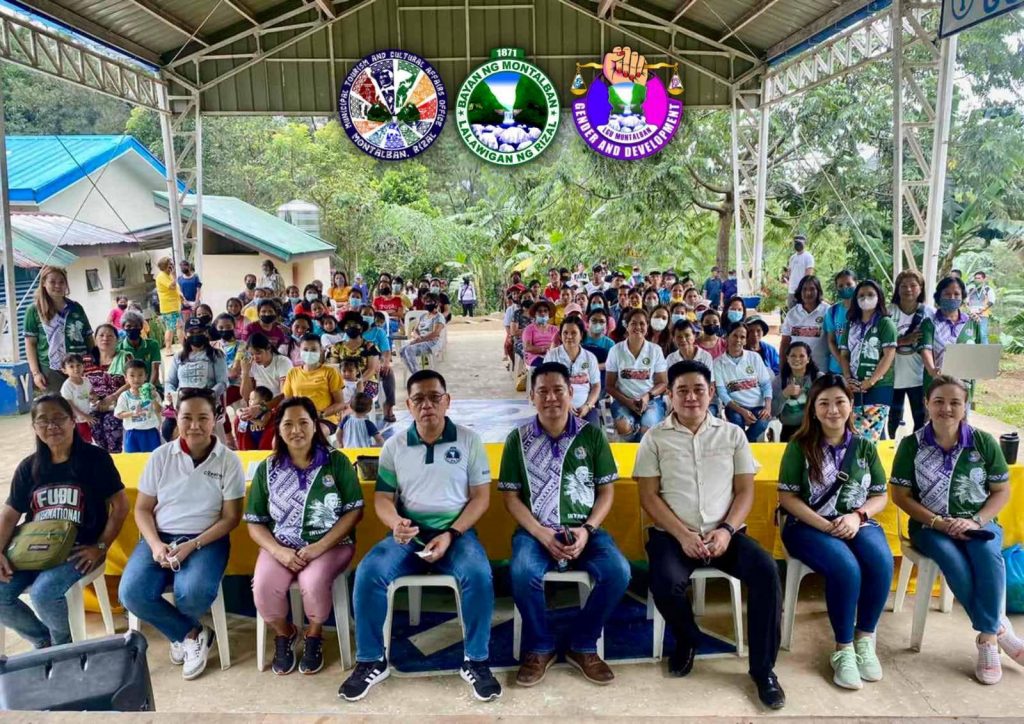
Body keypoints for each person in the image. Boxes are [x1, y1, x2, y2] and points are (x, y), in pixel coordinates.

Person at [340, 370, 501, 703]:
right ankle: (371, 660)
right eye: (419, 399)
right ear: (408, 406)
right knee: (369, 573)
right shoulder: (395, 446)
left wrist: (452, 533)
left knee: (479, 575)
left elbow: (481, 498)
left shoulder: (469, 440)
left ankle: (476, 660)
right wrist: (396, 523)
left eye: (434, 397)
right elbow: (383, 498)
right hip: (409, 534)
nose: (427, 405)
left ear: (447, 400)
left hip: (456, 532)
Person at [635, 360, 785, 709]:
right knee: (664, 582)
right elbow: (648, 496)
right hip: (673, 535)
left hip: (725, 533)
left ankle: (764, 671)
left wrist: (727, 531)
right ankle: (688, 638)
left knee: (766, 572)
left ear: (711, 392)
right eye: (682, 390)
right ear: (669, 395)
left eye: (698, 389)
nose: (691, 397)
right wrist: (682, 534)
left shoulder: (732, 434)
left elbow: (745, 491)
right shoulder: (654, 438)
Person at [499, 362, 630, 687]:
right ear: (531, 396)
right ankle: (540, 646)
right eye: (542, 391)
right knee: (522, 572)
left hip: (585, 530)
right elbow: (511, 498)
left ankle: (582, 643)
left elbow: (606, 491)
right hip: (535, 531)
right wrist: (540, 532)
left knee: (618, 572)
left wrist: (588, 530)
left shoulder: (592, 435)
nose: (551, 398)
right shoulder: (517, 440)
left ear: (571, 393)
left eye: (558, 390)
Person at [890, 375, 1024, 685]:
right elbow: (900, 496)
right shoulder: (912, 445)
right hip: (930, 526)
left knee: (988, 557)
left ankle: (987, 638)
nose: (946, 409)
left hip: (979, 523)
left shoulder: (983, 442)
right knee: (952, 560)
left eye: (955, 402)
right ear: (926, 404)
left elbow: (1001, 491)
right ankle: (996, 631)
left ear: (965, 407)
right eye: (939, 401)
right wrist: (938, 522)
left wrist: (975, 521)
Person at [119, 388, 244, 681]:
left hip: (206, 539)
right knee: (131, 593)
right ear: (177, 418)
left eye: (203, 417)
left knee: (194, 595)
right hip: (160, 535)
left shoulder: (228, 461)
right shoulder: (161, 456)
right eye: (187, 417)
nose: (195, 425)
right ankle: (191, 634)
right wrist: (155, 545)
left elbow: (231, 518)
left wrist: (192, 545)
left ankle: (182, 631)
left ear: (216, 419)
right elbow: (142, 510)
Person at [777, 375, 892, 689]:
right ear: (813, 409)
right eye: (823, 403)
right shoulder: (799, 447)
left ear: (851, 405)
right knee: (846, 568)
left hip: (855, 521)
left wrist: (858, 516)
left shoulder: (866, 446)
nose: (832, 410)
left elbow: (880, 494)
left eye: (839, 401)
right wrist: (826, 526)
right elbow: (787, 497)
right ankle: (843, 649)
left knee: (881, 561)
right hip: (808, 526)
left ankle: (864, 639)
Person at [245, 396, 365, 675]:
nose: (296, 430)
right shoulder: (267, 468)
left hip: (331, 544)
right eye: (288, 424)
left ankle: (314, 634)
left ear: (315, 426)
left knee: (312, 584)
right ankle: (285, 632)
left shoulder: (336, 462)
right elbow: (255, 522)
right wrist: (278, 551)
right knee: (262, 586)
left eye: (303, 423)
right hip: (282, 545)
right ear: (279, 429)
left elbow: (354, 511)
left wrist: (319, 547)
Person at [0, 394, 128, 649]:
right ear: (34, 427)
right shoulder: (29, 467)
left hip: (80, 551)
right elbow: (9, 514)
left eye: (59, 418)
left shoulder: (95, 459)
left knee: (43, 594)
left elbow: (121, 506)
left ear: (72, 421)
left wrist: (100, 547)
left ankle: (63, 648)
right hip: (31, 550)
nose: (52, 426)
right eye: (43, 421)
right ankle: (43, 641)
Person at [839, 281, 896, 442]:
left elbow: (889, 354)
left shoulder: (885, 323)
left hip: (879, 387)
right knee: (853, 432)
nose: (866, 299)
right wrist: (848, 379)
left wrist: (871, 381)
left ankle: (867, 466)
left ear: (879, 297)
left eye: (870, 295)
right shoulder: (850, 324)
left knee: (871, 436)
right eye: (861, 295)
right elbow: (844, 355)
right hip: (853, 387)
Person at [24, 266, 94, 394]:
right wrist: (36, 373)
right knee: (57, 408)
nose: (58, 285)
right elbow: (30, 344)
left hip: (79, 366)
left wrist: (93, 364)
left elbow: (89, 337)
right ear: (44, 283)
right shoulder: (34, 310)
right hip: (51, 371)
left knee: (82, 404)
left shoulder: (76, 308)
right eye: (52, 281)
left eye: (62, 281)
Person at [605, 309, 668, 441]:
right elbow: (609, 386)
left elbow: (662, 383)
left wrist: (647, 397)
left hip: (651, 401)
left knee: (648, 425)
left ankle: (642, 453)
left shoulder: (655, 350)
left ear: (647, 326)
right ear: (626, 326)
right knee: (624, 425)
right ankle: (632, 449)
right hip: (623, 400)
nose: (638, 327)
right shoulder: (615, 351)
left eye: (642, 324)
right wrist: (628, 402)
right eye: (633, 323)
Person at [888, 270, 931, 438]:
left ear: (921, 288)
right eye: (903, 285)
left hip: (919, 377)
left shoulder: (930, 313)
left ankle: (917, 452)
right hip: (892, 377)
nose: (908, 289)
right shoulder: (887, 312)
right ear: (897, 289)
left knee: (921, 419)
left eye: (913, 285)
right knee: (892, 418)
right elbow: (877, 341)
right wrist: (903, 341)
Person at [921, 276, 982, 391]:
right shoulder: (929, 323)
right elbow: (926, 350)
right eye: (947, 294)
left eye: (956, 294)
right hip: (936, 383)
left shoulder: (972, 323)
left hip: (964, 385)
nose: (952, 298)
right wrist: (933, 371)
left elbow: (977, 353)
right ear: (939, 296)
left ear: (962, 296)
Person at [714, 323, 773, 442]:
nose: (738, 340)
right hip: (735, 407)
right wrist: (742, 411)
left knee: (762, 423)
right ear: (726, 337)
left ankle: (744, 443)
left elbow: (766, 385)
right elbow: (722, 393)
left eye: (742, 337)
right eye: (735, 336)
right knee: (737, 422)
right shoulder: (718, 363)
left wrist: (767, 407)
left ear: (746, 340)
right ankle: (745, 445)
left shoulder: (754, 357)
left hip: (757, 406)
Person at [543, 318, 601, 426]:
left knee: (593, 433)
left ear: (581, 335)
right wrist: (565, 404)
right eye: (565, 333)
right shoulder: (552, 356)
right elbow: (546, 385)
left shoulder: (590, 357)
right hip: (557, 406)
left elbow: (596, 386)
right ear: (560, 336)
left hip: (585, 409)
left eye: (574, 333)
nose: (569, 337)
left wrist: (587, 406)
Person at [84, 324, 131, 453]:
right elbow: (79, 383)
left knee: (111, 423)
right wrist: (92, 397)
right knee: (95, 426)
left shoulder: (125, 357)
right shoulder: (86, 361)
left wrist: (112, 397)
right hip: (94, 405)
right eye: (102, 335)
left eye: (110, 335)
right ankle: (103, 459)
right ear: (95, 338)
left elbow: (132, 382)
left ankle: (115, 458)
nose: (105, 338)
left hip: (118, 403)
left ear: (117, 339)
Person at [283, 334, 344, 428]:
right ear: (300, 350)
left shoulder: (330, 372)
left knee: (313, 433)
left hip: (324, 419)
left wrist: (321, 414)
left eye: (314, 350)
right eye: (306, 350)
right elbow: (288, 401)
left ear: (321, 350)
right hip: (299, 419)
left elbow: (340, 403)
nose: (309, 353)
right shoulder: (292, 372)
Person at [772, 341, 821, 441]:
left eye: (802, 356)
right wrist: (784, 394)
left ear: (808, 359)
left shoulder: (818, 378)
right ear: (787, 358)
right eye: (793, 356)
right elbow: (772, 411)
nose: (797, 359)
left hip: (814, 428)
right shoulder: (779, 380)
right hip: (789, 430)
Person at [780, 276, 830, 373]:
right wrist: (783, 369)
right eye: (804, 289)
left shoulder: (827, 311)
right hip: (796, 370)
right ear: (800, 291)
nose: (808, 293)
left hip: (821, 370)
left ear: (818, 291)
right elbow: (784, 343)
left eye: (812, 289)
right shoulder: (792, 314)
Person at [328, 312, 382, 400]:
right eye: (348, 325)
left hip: (366, 381)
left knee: (358, 399)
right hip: (343, 382)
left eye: (355, 325)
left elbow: (371, 369)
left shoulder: (369, 346)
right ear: (344, 328)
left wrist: (358, 382)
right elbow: (335, 368)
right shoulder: (337, 347)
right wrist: (345, 383)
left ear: (361, 328)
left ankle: (347, 411)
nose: (351, 327)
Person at [115, 360, 163, 453]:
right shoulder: (124, 396)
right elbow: (118, 414)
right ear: (126, 378)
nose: (136, 379)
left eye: (140, 375)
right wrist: (133, 413)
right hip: (132, 433)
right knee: (133, 460)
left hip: (150, 432)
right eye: (132, 376)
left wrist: (153, 399)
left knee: (152, 458)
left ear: (146, 376)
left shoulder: (153, 393)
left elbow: (159, 410)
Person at [400, 293, 446, 373]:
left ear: (437, 303)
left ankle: (418, 375)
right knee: (402, 350)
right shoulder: (423, 316)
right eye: (426, 301)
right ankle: (416, 372)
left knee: (409, 350)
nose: (428, 303)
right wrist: (417, 337)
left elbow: (435, 333)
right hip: (420, 340)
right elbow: (415, 330)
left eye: (430, 301)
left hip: (432, 342)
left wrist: (420, 340)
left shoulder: (439, 317)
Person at [824, 269, 858, 375]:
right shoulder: (833, 311)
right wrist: (842, 362)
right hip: (837, 368)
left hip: (859, 369)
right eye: (841, 286)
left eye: (849, 284)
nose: (845, 288)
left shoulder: (865, 310)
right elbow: (831, 341)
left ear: (857, 284)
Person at [117, 311, 161, 386]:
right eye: (128, 326)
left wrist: (148, 389)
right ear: (123, 327)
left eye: (136, 326)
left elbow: (155, 371)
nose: (133, 328)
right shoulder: (119, 348)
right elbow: (121, 376)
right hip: (129, 390)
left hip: (152, 386)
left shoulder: (153, 345)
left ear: (141, 327)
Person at [60, 354, 96, 443]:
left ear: (83, 366)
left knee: (89, 441)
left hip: (87, 416)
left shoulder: (87, 381)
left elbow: (91, 393)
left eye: (78, 365)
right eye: (71, 366)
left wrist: (93, 397)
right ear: (64, 370)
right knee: (80, 442)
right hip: (76, 421)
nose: (76, 369)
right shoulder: (67, 386)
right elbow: (70, 405)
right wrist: (84, 416)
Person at [155, 257, 183, 351]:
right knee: (171, 327)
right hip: (168, 307)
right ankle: (168, 348)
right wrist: (175, 277)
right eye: (170, 264)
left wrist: (182, 297)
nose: (172, 266)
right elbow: (172, 286)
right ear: (164, 266)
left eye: (172, 264)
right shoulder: (161, 276)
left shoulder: (169, 275)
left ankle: (183, 346)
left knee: (179, 326)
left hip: (175, 305)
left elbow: (176, 289)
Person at [235, 386, 275, 450]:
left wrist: (250, 419)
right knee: (238, 421)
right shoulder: (248, 411)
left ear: (262, 403)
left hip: (265, 444)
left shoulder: (267, 413)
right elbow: (238, 410)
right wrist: (241, 415)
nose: (249, 402)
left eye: (252, 400)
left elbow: (262, 423)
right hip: (251, 443)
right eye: (249, 399)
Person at [522, 300, 559, 368]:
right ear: (535, 314)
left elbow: (559, 345)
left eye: (545, 311)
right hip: (534, 356)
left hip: (553, 356)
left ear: (548, 313)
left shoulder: (555, 329)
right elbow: (527, 347)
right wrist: (545, 349)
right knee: (547, 367)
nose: (543, 313)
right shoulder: (529, 329)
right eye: (539, 311)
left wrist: (550, 351)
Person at [966, 271, 995, 343]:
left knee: (982, 334)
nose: (977, 280)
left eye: (979, 278)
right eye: (975, 278)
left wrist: (982, 310)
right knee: (970, 334)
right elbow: (966, 302)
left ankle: (985, 352)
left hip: (983, 315)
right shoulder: (970, 289)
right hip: (971, 315)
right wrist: (970, 310)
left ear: (984, 279)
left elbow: (991, 301)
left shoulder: (988, 289)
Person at [786, 235, 815, 308]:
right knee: (791, 313)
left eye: (799, 242)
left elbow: (809, 275)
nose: (797, 244)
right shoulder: (792, 257)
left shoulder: (808, 257)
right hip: (791, 291)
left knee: (802, 312)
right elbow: (790, 272)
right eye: (795, 242)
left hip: (802, 291)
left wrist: (802, 288)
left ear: (804, 243)